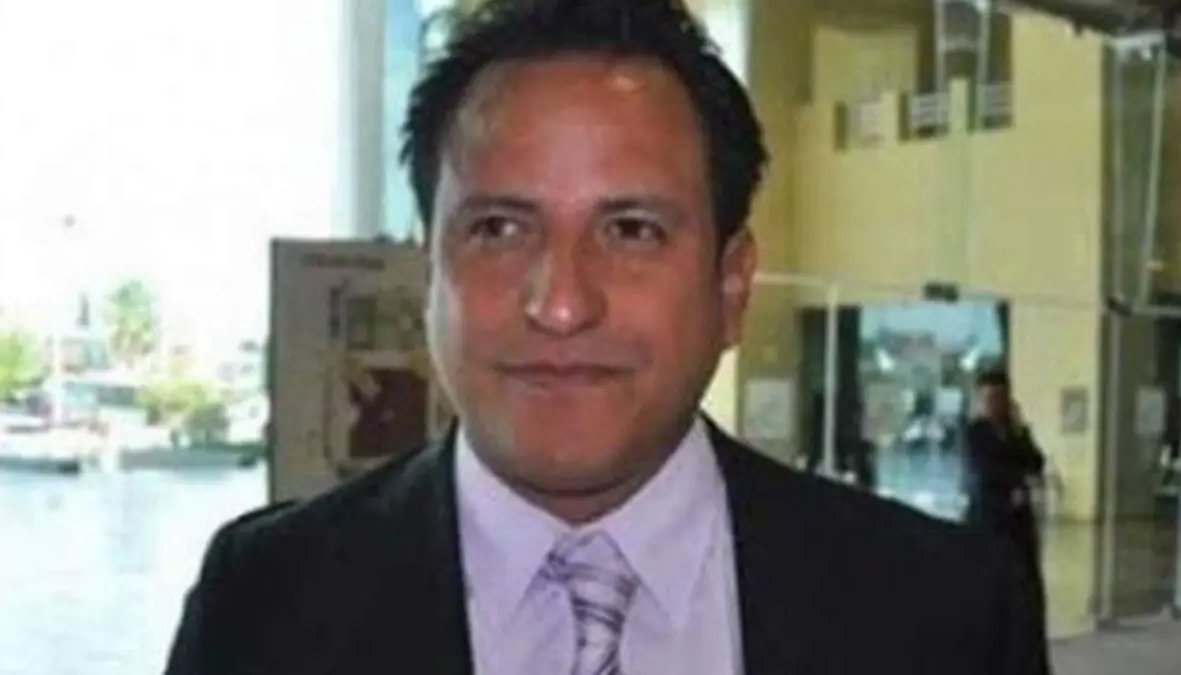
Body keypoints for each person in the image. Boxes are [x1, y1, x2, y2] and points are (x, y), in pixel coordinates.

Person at [164, 2, 1049, 674]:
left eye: (631, 230)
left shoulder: (944, 613)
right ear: (428, 272)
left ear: (731, 286)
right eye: (500, 229)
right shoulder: (265, 603)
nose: (560, 305)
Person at [964, 370, 1049, 607]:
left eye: (1000, 397)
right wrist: (1017, 480)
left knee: (1024, 576)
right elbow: (985, 468)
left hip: (1019, 517)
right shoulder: (976, 433)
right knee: (990, 574)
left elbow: (1036, 461)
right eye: (989, 398)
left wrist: (1020, 431)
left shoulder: (1016, 431)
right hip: (989, 514)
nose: (995, 404)